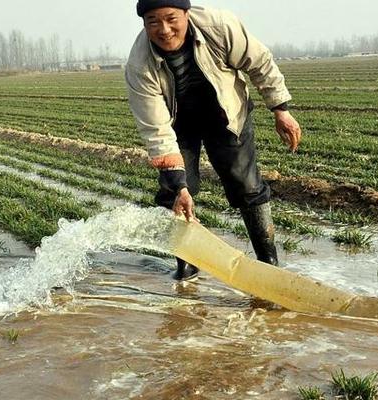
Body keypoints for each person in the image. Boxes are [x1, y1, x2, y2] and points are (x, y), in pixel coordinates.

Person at [125, 0, 302, 280]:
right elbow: (156, 129)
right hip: (178, 123)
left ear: (186, 13)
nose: (164, 29)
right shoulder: (139, 64)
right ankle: (187, 263)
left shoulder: (219, 26)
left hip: (225, 113)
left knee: (246, 185)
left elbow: (260, 63)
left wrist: (281, 109)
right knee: (176, 192)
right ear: (144, 23)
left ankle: (269, 262)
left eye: (171, 18)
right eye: (153, 21)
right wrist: (179, 184)